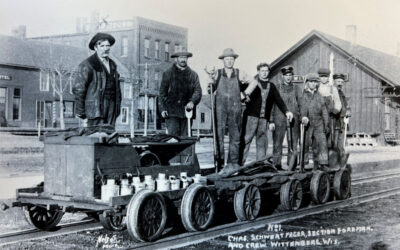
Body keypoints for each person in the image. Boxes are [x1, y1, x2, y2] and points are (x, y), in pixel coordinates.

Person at [207, 48, 255, 175]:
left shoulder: (240, 73)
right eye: (226, 59)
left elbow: (254, 82)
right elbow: (209, 87)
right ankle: (219, 163)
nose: (229, 61)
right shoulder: (217, 73)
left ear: (234, 60)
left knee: (235, 136)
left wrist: (245, 94)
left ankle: (232, 163)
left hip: (235, 108)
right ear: (223, 60)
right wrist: (210, 79)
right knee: (219, 135)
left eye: (231, 59)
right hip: (220, 108)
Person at [240, 63, 293, 167]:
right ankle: (239, 164)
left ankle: (260, 165)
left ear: (268, 72)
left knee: (262, 142)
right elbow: (240, 90)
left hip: (264, 119)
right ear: (258, 72)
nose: (264, 73)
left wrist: (287, 111)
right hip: (251, 117)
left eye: (266, 71)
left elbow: (279, 100)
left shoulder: (271, 86)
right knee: (246, 139)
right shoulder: (252, 83)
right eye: (262, 71)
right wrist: (243, 95)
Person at [73, 32, 121, 128]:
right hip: (95, 108)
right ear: (95, 48)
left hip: (111, 106)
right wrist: (81, 111)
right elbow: (79, 89)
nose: (106, 48)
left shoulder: (112, 65)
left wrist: (117, 107)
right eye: (102, 46)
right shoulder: (88, 65)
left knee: (110, 136)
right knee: (95, 137)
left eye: (108, 46)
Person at [159, 49, 202, 136]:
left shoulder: (193, 75)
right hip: (171, 112)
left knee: (186, 138)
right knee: (173, 138)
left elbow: (198, 91)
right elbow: (162, 93)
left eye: (185, 57)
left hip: (187, 112)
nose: (183, 60)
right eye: (181, 57)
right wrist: (163, 109)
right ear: (176, 59)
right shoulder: (168, 74)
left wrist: (192, 101)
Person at [269, 65, 302, 169]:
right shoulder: (276, 88)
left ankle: (291, 165)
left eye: (290, 75)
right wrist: (271, 120)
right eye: (286, 75)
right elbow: (271, 105)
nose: (288, 77)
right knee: (277, 143)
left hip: (294, 120)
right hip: (279, 118)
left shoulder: (296, 88)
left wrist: (301, 116)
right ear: (282, 76)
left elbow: (301, 103)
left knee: (292, 143)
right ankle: (276, 165)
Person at [300, 73, 330, 170]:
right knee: (305, 143)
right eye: (311, 82)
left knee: (322, 143)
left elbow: (324, 111)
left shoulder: (319, 96)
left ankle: (322, 163)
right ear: (307, 83)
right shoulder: (303, 95)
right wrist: (303, 117)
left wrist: (326, 124)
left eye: (315, 82)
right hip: (307, 124)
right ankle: (303, 164)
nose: (313, 84)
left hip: (318, 123)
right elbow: (301, 108)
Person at [317, 68, 342, 148]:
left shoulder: (332, 88)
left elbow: (338, 101)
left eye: (325, 77)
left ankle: (330, 153)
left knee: (330, 135)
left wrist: (336, 110)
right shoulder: (316, 88)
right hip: (319, 116)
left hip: (330, 116)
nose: (324, 79)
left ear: (328, 77)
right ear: (319, 77)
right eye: (322, 77)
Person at [333, 73, 351, 159]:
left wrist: (347, 111)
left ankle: (340, 156)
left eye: (341, 82)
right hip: (335, 119)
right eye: (338, 81)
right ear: (334, 81)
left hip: (342, 120)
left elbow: (345, 105)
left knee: (341, 139)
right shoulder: (332, 92)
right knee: (335, 140)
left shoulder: (341, 93)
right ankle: (335, 157)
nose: (340, 83)